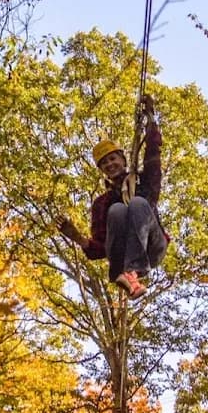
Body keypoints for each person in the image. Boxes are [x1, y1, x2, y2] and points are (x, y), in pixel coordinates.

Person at [57, 95, 168, 300]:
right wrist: (78, 238)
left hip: (152, 247)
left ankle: (132, 270)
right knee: (117, 210)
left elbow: (153, 155)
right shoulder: (102, 204)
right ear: (102, 171)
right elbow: (100, 248)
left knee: (136, 202)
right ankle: (126, 275)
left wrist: (150, 119)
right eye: (104, 163)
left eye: (113, 158)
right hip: (122, 256)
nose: (110, 164)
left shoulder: (144, 182)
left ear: (123, 159)